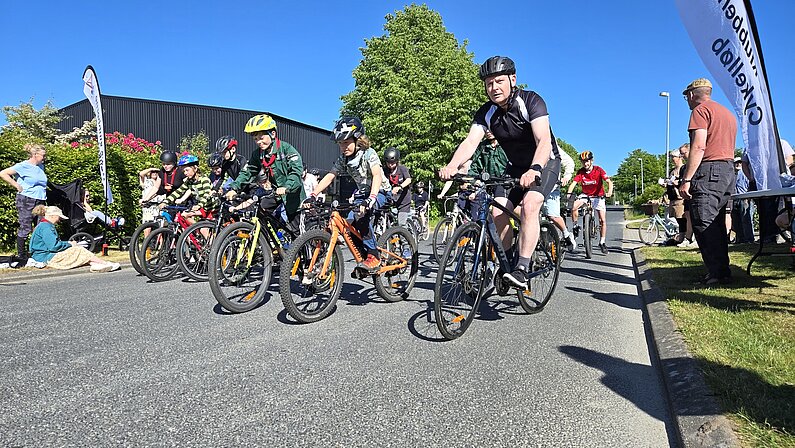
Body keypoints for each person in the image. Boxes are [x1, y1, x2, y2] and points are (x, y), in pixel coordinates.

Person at [439, 56, 562, 289]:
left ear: (512, 79)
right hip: (514, 167)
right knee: (497, 211)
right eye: (489, 83)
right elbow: (470, 142)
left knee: (530, 205)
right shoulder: (486, 113)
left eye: (499, 81)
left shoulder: (531, 101)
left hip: (545, 163)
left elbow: (543, 140)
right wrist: (452, 166)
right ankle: (508, 263)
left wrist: (535, 168)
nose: (494, 87)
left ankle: (522, 269)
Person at [307, 116, 391, 271]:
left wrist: (371, 198)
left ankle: (374, 256)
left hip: (380, 191)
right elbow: (330, 176)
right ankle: (364, 257)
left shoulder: (369, 153)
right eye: (340, 143)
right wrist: (313, 195)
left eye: (346, 142)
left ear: (358, 139)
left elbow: (377, 176)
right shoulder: (343, 159)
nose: (343, 147)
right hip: (362, 194)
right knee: (349, 225)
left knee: (361, 217)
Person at [678, 78, 738, 285]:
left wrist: (686, 179)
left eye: (686, 96)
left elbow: (698, 147)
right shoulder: (726, 113)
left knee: (703, 220)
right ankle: (721, 270)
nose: (687, 100)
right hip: (727, 169)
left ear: (692, 94)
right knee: (717, 222)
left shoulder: (700, 111)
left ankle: (717, 273)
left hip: (709, 169)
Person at [225, 114, 305, 230]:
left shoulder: (287, 149)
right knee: (260, 210)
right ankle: (269, 238)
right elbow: (248, 172)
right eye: (255, 139)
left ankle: (295, 239)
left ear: (272, 134)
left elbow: (296, 172)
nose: (258, 142)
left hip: (292, 193)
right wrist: (234, 188)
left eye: (261, 138)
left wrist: (287, 186)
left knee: (297, 232)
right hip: (276, 193)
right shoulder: (258, 154)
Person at [28, 205, 120, 272]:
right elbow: (54, 246)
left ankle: (96, 264)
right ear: (53, 216)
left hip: (42, 256)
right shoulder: (46, 227)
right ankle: (103, 263)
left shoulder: (43, 225)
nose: (59, 220)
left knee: (77, 252)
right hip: (46, 258)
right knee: (78, 250)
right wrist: (69, 244)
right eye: (59, 217)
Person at [0, 143, 48, 262]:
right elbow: (3, 173)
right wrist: (16, 185)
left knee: (40, 227)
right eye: (43, 155)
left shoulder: (41, 166)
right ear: (35, 155)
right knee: (26, 227)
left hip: (40, 199)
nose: (45, 158)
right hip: (26, 199)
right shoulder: (23, 166)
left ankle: (38, 252)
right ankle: (21, 255)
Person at [567, 151, 613, 254]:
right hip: (585, 195)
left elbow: (609, 182)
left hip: (598, 196)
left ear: (591, 161)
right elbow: (573, 183)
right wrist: (569, 194)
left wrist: (609, 192)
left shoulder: (598, 169)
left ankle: (602, 242)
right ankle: (575, 226)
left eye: (587, 161)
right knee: (573, 206)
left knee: (602, 220)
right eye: (583, 162)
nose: (585, 164)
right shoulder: (581, 172)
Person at [158, 154, 220, 227]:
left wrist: (199, 205)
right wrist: (165, 202)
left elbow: (207, 194)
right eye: (184, 171)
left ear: (195, 168)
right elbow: (178, 192)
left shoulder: (204, 179)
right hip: (202, 208)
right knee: (184, 215)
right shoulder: (189, 181)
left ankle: (199, 230)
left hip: (211, 208)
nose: (185, 173)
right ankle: (195, 231)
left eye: (187, 170)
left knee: (203, 229)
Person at [542, 149, 577, 250]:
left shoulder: (551, 146)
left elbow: (569, 162)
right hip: (533, 188)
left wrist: (566, 176)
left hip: (551, 188)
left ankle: (566, 235)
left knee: (553, 215)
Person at [659, 148, 687, 245]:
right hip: (672, 197)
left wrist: (677, 183)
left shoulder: (684, 168)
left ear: (679, 157)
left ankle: (684, 237)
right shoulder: (672, 171)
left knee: (682, 218)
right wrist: (666, 184)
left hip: (680, 197)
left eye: (673, 157)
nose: (672, 159)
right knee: (677, 218)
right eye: (671, 157)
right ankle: (680, 236)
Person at [383, 147, 413, 226]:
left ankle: (404, 233)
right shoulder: (385, 171)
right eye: (388, 163)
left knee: (401, 223)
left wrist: (400, 187)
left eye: (392, 163)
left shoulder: (402, 169)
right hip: (392, 198)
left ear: (396, 161)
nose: (390, 165)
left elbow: (408, 180)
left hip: (404, 199)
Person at [731, 156, 755, 243]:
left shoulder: (745, 173)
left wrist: (749, 197)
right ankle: (740, 239)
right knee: (736, 220)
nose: (738, 164)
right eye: (736, 163)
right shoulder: (733, 174)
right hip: (735, 198)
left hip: (744, 198)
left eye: (740, 162)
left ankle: (749, 239)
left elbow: (750, 185)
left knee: (746, 219)